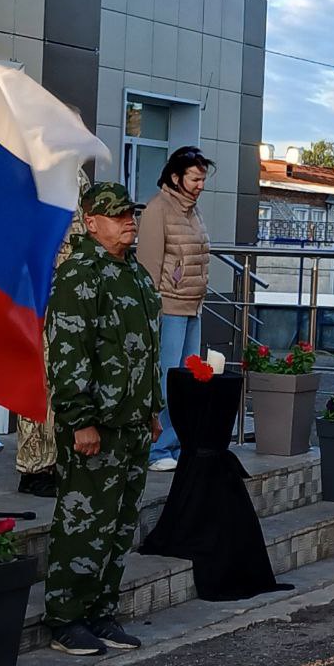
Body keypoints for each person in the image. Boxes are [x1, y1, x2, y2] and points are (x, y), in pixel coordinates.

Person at [43, 182, 162, 657]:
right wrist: (79, 420)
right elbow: (68, 354)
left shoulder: (132, 272)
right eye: (116, 216)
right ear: (91, 223)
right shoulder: (80, 274)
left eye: (130, 214)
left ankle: (99, 611)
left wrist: (153, 408)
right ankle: (66, 618)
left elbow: (146, 348)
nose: (128, 222)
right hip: (96, 425)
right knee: (83, 522)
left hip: (132, 421)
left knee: (118, 523)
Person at [137, 145, 215, 470]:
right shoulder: (159, 209)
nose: (200, 185)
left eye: (202, 179)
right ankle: (156, 450)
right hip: (168, 307)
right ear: (175, 176)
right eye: (195, 179)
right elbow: (149, 266)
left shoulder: (191, 210)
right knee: (166, 380)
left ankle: (176, 443)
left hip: (192, 305)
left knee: (186, 380)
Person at [14, 170, 91, 496]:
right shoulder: (33, 170)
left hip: (72, 296)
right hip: (40, 297)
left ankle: (59, 460)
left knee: (65, 381)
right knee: (39, 382)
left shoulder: (77, 175)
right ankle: (33, 467)